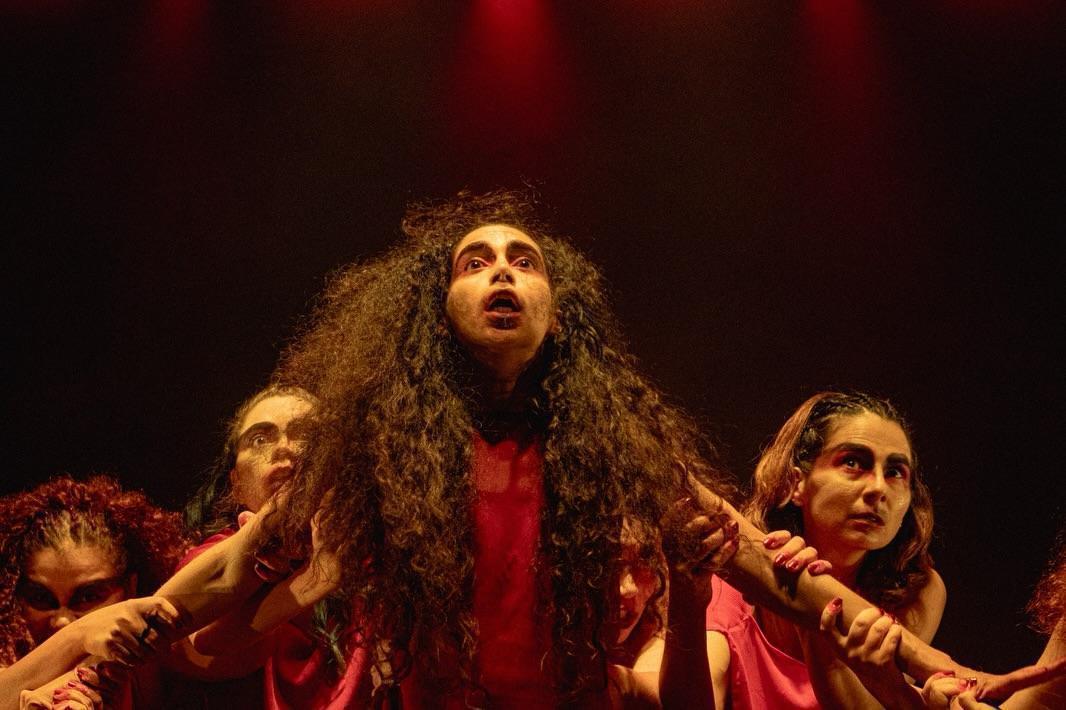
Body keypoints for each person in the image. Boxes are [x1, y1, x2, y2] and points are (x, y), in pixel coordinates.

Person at [151, 190, 1065, 707]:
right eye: (476, 260)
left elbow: (763, 567)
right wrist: (105, 638)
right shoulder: (368, 448)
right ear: (433, 310)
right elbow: (229, 572)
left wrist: (934, 669)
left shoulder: (611, 446)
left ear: (561, 311)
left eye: (525, 259)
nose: (503, 269)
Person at [697, 391, 946, 709]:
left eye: (896, 472)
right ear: (796, 483)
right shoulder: (731, 580)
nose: (878, 489)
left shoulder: (917, 589)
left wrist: (810, 611)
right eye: (853, 463)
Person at [0, 475, 187, 709]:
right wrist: (79, 636)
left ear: (130, 588)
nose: (62, 621)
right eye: (41, 598)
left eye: (88, 597)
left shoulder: (162, 658)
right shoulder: (7, 646)